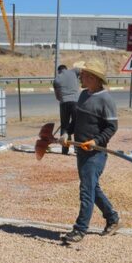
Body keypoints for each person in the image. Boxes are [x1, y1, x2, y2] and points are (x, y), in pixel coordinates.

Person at [60, 60, 120, 245]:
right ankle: (112, 218)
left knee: (86, 190)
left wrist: (96, 141)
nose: (81, 77)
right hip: (81, 150)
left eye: (84, 75)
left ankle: (79, 230)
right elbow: (76, 118)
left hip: (95, 153)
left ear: (93, 78)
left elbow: (112, 127)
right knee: (92, 188)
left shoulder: (106, 99)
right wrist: (66, 132)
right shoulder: (84, 95)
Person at [53, 64, 80, 155]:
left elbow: (57, 97)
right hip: (76, 102)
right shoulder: (73, 72)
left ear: (59, 71)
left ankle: (65, 149)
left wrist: (64, 99)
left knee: (64, 126)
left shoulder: (57, 79)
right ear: (66, 69)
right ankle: (77, 148)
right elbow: (81, 71)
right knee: (76, 125)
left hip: (64, 103)